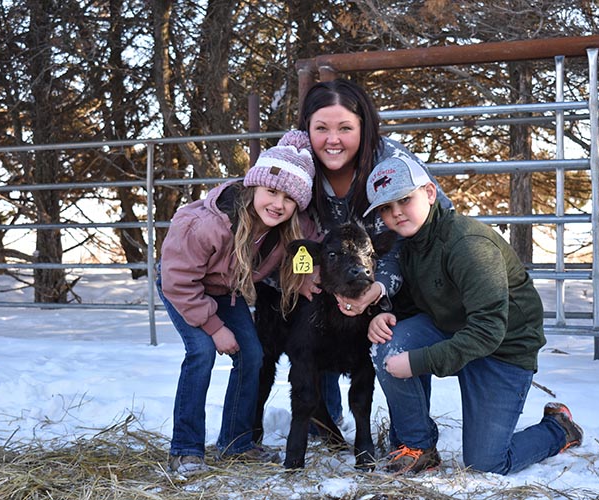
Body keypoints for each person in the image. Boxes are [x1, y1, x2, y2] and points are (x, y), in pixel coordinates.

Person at [364, 153, 583, 475]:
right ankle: (418, 446)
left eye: (404, 200)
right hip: (451, 328)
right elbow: (416, 302)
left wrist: (418, 362)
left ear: (428, 193)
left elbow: (488, 330)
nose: (395, 213)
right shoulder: (409, 244)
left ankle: (560, 429)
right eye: (385, 207)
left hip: (503, 348)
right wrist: (386, 316)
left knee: (486, 464)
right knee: (388, 343)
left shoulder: (468, 243)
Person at [157, 130, 316, 477]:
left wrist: (305, 277)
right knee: (201, 352)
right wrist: (214, 329)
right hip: (184, 288)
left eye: (289, 198)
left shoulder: (288, 226)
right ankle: (185, 449)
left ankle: (236, 443)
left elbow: (309, 248)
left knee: (253, 355)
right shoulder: (207, 225)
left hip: (226, 291)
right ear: (254, 186)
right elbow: (178, 282)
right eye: (271, 191)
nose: (278, 203)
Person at [294, 78, 452, 425]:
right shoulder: (298, 165)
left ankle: (412, 434)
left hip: (401, 273)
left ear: (364, 128)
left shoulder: (390, 162)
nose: (332, 140)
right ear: (306, 129)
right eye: (321, 128)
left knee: (398, 332)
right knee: (312, 318)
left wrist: (379, 289)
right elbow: (280, 220)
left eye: (345, 128)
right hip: (334, 275)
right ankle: (324, 418)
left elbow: (416, 235)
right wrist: (302, 272)